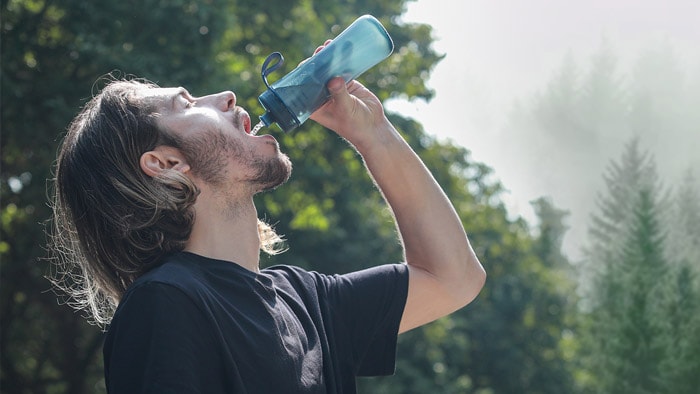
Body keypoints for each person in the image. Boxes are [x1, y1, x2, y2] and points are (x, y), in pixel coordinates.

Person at [50, 41, 486, 393]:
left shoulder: (307, 301)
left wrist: (374, 135)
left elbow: (454, 276)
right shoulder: (165, 302)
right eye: (185, 104)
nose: (225, 96)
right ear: (165, 164)